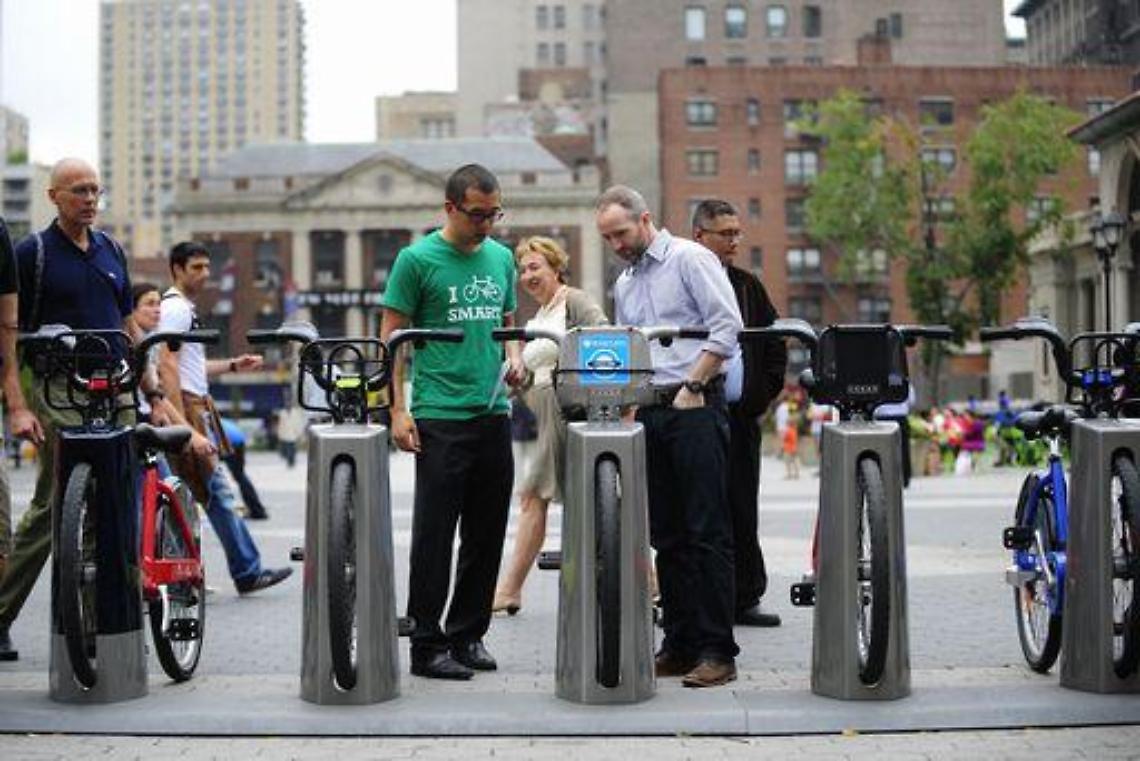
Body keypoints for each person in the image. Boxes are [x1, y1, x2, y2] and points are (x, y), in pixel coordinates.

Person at [596, 184, 743, 688]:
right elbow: (629, 348)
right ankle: (679, 644)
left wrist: (694, 385)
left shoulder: (690, 259)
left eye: (620, 233)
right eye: (607, 238)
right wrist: (628, 407)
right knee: (667, 535)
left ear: (645, 219)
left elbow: (727, 327)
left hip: (695, 403)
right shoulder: (625, 282)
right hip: (651, 409)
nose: (615, 245)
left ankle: (718, 650)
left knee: (707, 530)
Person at [381, 164, 524, 680]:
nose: (486, 224)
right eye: (477, 214)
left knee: (486, 533)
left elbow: (508, 324)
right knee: (435, 535)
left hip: (493, 412)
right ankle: (426, 644)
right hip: (439, 413)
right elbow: (392, 340)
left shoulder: (501, 258)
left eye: (494, 214)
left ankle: (468, 635)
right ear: (449, 208)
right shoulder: (415, 260)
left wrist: (516, 358)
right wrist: (397, 410)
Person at [0, 158, 127, 660]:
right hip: (57, 388)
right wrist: (18, 402)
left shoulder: (111, 249)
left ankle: (99, 621)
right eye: (79, 190)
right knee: (55, 505)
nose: (90, 199)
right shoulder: (32, 254)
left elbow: (124, 323)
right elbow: (10, 333)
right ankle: (2, 613)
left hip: (114, 386)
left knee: (115, 503)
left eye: (95, 190)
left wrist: (153, 390)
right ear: (53, 196)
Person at [158, 241, 291, 595]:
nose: (205, 274)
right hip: (188, 409)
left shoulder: (183, 309)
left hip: (195, 406)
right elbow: (167, 365)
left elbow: (190, 366)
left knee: (197, 494)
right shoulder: (176, 309)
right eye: (196, 268)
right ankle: (243, 571)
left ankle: (189, 577)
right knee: (213, 493)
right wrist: (183, 427)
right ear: (177, 269)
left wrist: (233, 365)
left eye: (207, 267)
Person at [492, 236, 607, 615]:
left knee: (532, 495)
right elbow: (532, 373)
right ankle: (650, 582)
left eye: (535, 267)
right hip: (543, 413)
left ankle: (509, 590)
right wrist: (518, 376)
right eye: (523, 270)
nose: (527, 275)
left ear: (556, 268)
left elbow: (603, 341)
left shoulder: (575, 301)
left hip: (565, 409)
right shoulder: (540, 315)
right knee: (591, 500)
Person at [692, 199, 786, 629]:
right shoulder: (685, 280)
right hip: (694, 413)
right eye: (725, 234)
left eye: (736, 233)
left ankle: (746, 596)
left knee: (742, 508)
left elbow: (774, 341)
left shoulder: (748, 285)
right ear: (700, 236)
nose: (734, 241)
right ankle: (694, 600)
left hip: (740, 416)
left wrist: (760, 396)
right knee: (697, 511)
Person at [220, 418, 270, 520]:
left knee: (239, 477)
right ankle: (256, 509)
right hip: (238, 441)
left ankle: (257, 511)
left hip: (231, 443)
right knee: (240, 477)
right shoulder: (214, 417)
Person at [276, 402, 305, 468]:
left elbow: (298, 422)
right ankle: (289, 460)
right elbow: (280, 424)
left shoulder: (296, 412)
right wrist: (279, 433)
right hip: (285, 433)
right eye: (286, 405)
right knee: (287, 448)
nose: (288, 406)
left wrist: (299, 433)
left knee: (292, 448)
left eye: (289, 404)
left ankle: (291, 461)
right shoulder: (282, 413)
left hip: (293, 433)